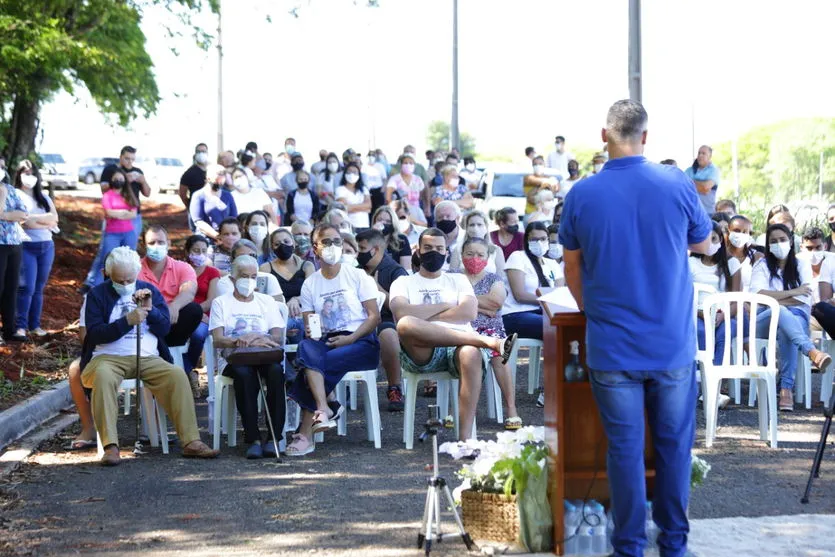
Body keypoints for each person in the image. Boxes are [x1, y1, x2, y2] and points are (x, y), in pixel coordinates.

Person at [559, 100, 712, 556]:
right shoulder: (676, 183)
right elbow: (704, 244)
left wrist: (595, 312)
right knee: (672, 450)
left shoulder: (582, 194)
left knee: (623, 452)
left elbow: (572, 270)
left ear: (604, 136)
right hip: (670, 345)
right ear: (645, 137)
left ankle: (627, 546)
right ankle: (675, 545)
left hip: (611, 345)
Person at [80, 247, 219, 466]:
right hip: (107, 358)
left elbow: (164, 328)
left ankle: (191, 440)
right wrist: (127, 321)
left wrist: (151, 311)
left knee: (176, 374)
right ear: (109, 275)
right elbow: (95, 333)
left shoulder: (148, 289)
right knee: (103, 377)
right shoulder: (97, 295)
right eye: (119, 280)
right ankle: (110, 445)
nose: (125, 285)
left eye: (129, 280)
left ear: (137, 274)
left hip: (148, 356)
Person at [390, 228, 517, 440]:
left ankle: (465, 439)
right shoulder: (403, 282)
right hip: (422, 353)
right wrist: (448, 305)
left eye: (439, 248)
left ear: (447, 252)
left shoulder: (458, 280)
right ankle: (488, 342)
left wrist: (424, 314)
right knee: (405, 324)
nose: (434, 252)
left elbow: (468, 312)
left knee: (471, 354)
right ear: (418, 251)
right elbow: (401, 312)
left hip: (458, 348)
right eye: (428, 248)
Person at [285, 224, 381, 457]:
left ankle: (307, 430)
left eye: (337, 241)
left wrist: (351, 340)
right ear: (315, 248)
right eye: (326, 242)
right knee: (307, 347)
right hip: (326, 340)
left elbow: (374, 316)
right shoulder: (310, 284)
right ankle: (323, 407)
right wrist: (313, 332)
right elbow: (310, 326)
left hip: (361, 341)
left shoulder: (357, 275)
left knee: (314, 363)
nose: (333, 246)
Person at [210, 255, 286, 459]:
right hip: (234, 359)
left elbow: (277, 336)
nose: (249, 281)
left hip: (264, 355)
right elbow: (217, 339)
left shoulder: (267, 301)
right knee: (244, 375)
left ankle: (274, 437)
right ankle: (252, 437)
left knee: (276, 372)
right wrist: (238, 340)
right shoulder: (221, 303)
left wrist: (256, 337)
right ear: (233, 278)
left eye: (253, 276)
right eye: (244, 276)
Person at [751, 223, 831, 411]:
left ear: (790, 241)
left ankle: (786, 388)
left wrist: (773, 298)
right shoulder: (761, 265)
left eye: (782, 239)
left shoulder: (801, 265)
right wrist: (793, 292)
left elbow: (804, 299)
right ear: (768, 245)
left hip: (796, 319)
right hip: (764, 320)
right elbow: (757, 296)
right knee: (781, 312)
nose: (778, 244)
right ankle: (812, 352)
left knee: (786, 323)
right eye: (773, 241)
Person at [457, 236, 520, 429]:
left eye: (479, 254)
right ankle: (462, 411)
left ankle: (511, 408)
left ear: (487, 257)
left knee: (499, 357)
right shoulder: (454, 276)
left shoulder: (494, 278)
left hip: (490, 329)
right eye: (469, 254)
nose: (474, 258)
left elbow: (496, 303)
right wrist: (482, 306)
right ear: (462, 254)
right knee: (460, 353)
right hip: (460, 328)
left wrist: (464, 301)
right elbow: (446, 301)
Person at [356, 229, 409, 411]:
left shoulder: (396, 271)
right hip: (357, 322)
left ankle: (394, 388)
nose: (358, 253)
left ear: (376, 249)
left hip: (387, 321)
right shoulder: (356, 272)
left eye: (362, 248)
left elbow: (402, 309)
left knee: (387, 334)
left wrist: (377, 289)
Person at [137, 226, 203, 354]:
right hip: (145, 321)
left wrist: (175, 306)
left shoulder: (183, 267)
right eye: (151, 243)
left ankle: (167, 352)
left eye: (161, 242)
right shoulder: (134, 267)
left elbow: (189, 292)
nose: (157, 246)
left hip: (173, 322)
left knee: (194, 310)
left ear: (168, 243)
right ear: (143, 246)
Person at [690, 222, 742, 374]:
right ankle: (701, 380)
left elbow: (736, 300)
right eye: (704, 239)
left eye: (713, 239)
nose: (709, 244)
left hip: (725, 315)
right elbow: (685, 296)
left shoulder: (732, 264)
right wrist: (703, 314)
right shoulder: (690, 263)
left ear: (721, 240)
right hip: (697, 314)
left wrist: (722, 316)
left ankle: (715, 382)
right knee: (701, 331)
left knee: (725, 333)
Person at [14, 161, 58, 338]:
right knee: (26, 287)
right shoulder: (16, 195)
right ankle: (20, 326)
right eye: (24, 171)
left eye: (31, 172)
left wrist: (36, 219)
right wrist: (43, 220)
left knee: (39, 288)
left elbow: (55, 219)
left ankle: (35, 325)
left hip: (47, 247)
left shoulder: (44, 197)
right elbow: (26, 223)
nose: (28, 175)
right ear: (18, 174)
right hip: (26, 246)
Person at [502, 221, 563, 340]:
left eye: (543, 239)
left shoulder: (553, 264)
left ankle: (571, 358)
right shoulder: (518, 257)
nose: (539, 243)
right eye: (534, 239)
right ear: (526, 240)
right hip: (516, 315)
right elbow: (520, 296)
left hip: (544, 314)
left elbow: (558, 296)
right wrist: (548, 300)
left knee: (574, 324)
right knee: (557, 326)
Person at [87, 170, 138, 289]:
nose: (118, 181)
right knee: (106, 260)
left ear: (125, 181)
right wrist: (125, 212)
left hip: (129, 233)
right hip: (112, 233)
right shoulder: (107, 195)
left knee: (129, 260)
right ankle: (98, 286)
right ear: (111, 180)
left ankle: (127, 285)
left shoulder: (128, 195)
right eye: (116, 178)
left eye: (121, 179)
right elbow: (108, 212)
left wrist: (117, 214)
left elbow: (133, 215)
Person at [263, 229, 315, 345]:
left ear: (293, 243)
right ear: (272, 248)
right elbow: (263, 299)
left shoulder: (307, 266)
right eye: (277, 244)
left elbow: (312, 294)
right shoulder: (265, 268)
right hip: (278, 316)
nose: (282, 246)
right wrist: (283, 308)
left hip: (303, 313)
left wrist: (296, 299)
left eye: (286, 241)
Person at [182, 235, 220, 391]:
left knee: (198, 336)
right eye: (196, 250)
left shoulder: (212, 272)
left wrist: (197, 313)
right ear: (187, 251)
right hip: (182, 313)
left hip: (205, 316)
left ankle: (183, 370)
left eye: (203, 251)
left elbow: (212, 299)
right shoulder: (180, 268)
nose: (200, 254)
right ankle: (185, 372)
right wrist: (190, 313)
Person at [217, 240, 283, 301]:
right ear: (232, 259)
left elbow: (279, 305)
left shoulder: (269, 278)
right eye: (242, 256)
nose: (248, 259)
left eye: (252, 255)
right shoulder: (224, 282)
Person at [449, 210, 506, 276]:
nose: (475, 228)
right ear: (467, 228)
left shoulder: (496, 250)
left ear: (486, 227)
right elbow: (452, 276)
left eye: (479, 224)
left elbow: (501, 278)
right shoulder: (458, 249)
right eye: (472, 225)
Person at [190, 165, 238, 242]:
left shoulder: (228, 195)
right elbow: (199, 222)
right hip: (205, 241)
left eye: (224, 174)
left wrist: (228, 237)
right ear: (208, 177)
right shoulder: (198, 195)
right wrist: (218, 237)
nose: (221, 176)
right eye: (219, 173)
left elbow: (233, 218)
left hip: (226, 240)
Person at [385, 153, 428, 226]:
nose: (408, 165)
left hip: (415, 210)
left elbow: (422, 196)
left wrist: (426, 207)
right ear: (401, 165)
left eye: (411, 163)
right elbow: (388, 198)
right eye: (405, 163)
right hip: (399, 211)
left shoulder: (417, 179)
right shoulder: (394, 179)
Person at [725, 214, 762, 291]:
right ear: (728, 231)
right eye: (737, 230)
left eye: (745, 232)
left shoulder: (757, 257)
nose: (740, 234)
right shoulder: (721, 255)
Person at [179, 143, 210, 230]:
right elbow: (182, 193)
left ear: (207, 153)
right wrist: (189, 207)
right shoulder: (189, 173)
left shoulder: (211, 170)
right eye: (198, 152)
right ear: (195, 154)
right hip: (197, 211)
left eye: (203, 151)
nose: (201, 154)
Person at [685, 145, 721, 215]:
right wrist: (700, 185)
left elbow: (705, 188)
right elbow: (682, 186)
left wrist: (689, 182)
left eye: (703, 153)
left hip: (707, 213)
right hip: (690, 212)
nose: (700, 155)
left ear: (710, 156)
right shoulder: (689, 170)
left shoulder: (714, 170)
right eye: (699, 153)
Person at [335, 162, 371, 230]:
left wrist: (351, 207)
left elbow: (369, 206)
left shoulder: (364, 189)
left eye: (355, 172)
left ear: (359, 175)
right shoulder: (340, 189)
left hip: (364, 225)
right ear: (344, 174)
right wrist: (364, 208)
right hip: (348, 226)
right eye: (349, 172)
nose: (352, 174)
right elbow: (344, 208)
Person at [433, 201, 462, 268]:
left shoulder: (467, 239)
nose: (444, 219)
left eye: (448, 216)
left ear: (457, 219)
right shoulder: (431, 241)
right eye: (440, 217)